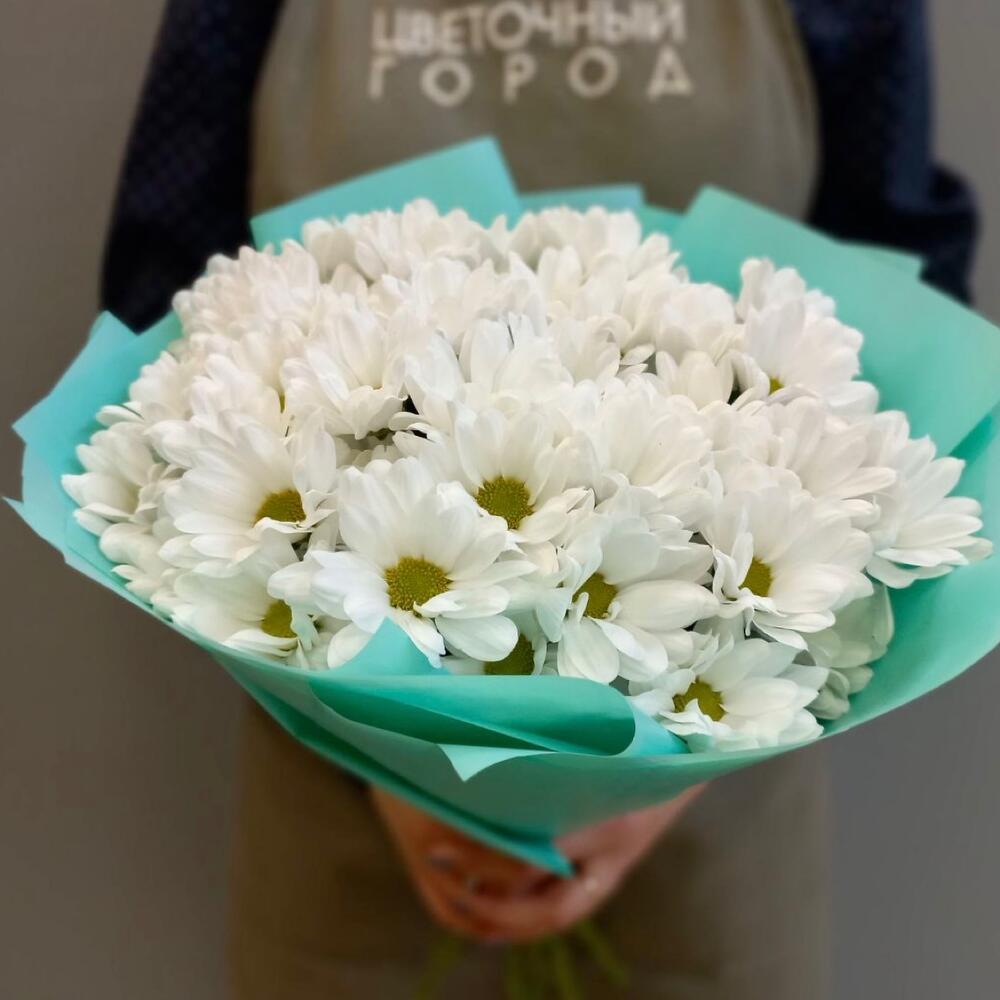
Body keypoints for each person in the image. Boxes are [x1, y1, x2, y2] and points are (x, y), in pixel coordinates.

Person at [102, 2, 977, 997]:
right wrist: (386, 758)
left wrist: (672, 763)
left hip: (713, 785)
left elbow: (899, 285)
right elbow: (164, 297)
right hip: (350, 807)